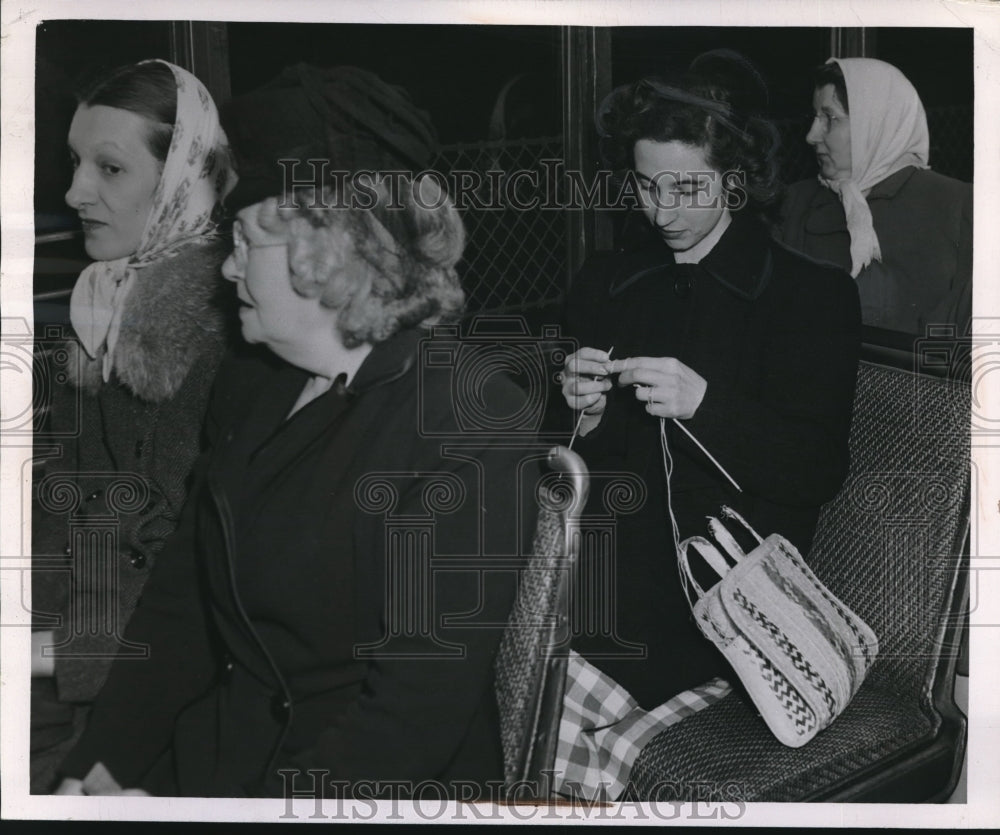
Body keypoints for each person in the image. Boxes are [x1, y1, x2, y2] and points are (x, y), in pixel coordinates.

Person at [52, 65, 535, 798]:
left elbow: (411, 719)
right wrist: (98, 767)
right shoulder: (254, 385)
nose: (227, 269)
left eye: (245, 242)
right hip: (226, 750)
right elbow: (182, 609)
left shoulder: (469, 422)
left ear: (330, 250)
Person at [555, 51, 862, 796]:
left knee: (540, 673)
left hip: (723, 593)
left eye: (685, 186)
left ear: (735, 179)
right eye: (645, 185)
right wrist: (580, 414)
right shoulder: (609, 280)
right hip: (609, 567)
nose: (661, 210)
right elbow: (568, 467)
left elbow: (815, 470)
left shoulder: (808, 297)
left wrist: (707, 406)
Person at [30, 59, 236, 794]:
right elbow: (62, 498)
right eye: (75, 162)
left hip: (154, 685)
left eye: (109, 168)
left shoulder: (229, 333)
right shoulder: (100, 302)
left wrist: (48, 652)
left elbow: (187, 574)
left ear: (181, 178)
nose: (74, 192)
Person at [778, 57, 972, 335]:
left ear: (876, 122)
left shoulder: (957, 206)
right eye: (814, 118)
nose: (811, 135)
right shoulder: (795, 202)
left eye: (829, 118)